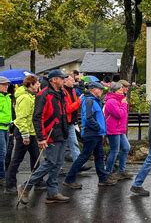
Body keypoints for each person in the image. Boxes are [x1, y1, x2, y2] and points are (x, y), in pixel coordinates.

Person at [18, 69, 70, 204]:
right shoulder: (44, 94)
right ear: (54, 80)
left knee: (57, 164)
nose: (64, 80)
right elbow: (37, 117)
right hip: (50, 134)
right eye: (61, 78)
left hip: (61, 133)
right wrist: (41, 138)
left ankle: (52, 192)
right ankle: (25, 186)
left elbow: (63, 112)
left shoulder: (61, 93)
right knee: (50, 163)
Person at [63, 82, 116, 190]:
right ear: (93, 89)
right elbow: (88, 117)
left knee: (99, 156)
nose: (102, 91)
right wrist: (97, 127)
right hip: (91, 133)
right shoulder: (89, 100)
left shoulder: (93, 100)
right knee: (84, 157)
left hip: (96, 133)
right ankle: (69, 179)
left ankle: (103, 178)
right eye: (100, 89)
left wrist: (99, 130)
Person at [5, 76, 46, 193]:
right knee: (17, 159)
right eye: (37, 83)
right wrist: (25, 135)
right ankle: (10, 185)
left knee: (35, 157)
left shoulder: (30, 96)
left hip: (30, 132)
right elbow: (22, 118)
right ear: (31, 85)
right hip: (24, 132)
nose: (39, 85)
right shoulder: (25, 98)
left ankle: (38, 181)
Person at [63, 75, 91, 172]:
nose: (74, 82)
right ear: (65, 81)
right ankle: (59, 167)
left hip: (71, 122)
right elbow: (68, 109)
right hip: (64, 122)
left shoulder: (72, 90)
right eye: (71, 80)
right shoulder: (63, 92)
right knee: (61, 145)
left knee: (74, 143)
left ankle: (79, 164)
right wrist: (79, 101)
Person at [105, 82, 132, 180]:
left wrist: (123, 104)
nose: (122, 91)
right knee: (114, 150)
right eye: (120, 89)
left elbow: (124, 114)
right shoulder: (111, 101)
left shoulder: (119, 100)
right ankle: (108, 172)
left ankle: (121, 171)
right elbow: (119, 114)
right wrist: (124, 105)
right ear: (114, 91)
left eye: (122, 89)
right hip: (113, 129)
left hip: (120, 129)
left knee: (126, 148)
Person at [0, 76, 12, 187]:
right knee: (2, 153)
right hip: (0, 128)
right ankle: (2, 176)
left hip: (6, 128)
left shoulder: (8, 97)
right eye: (3, 84)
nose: (6, 86)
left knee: (5, 153)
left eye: (7, 84)